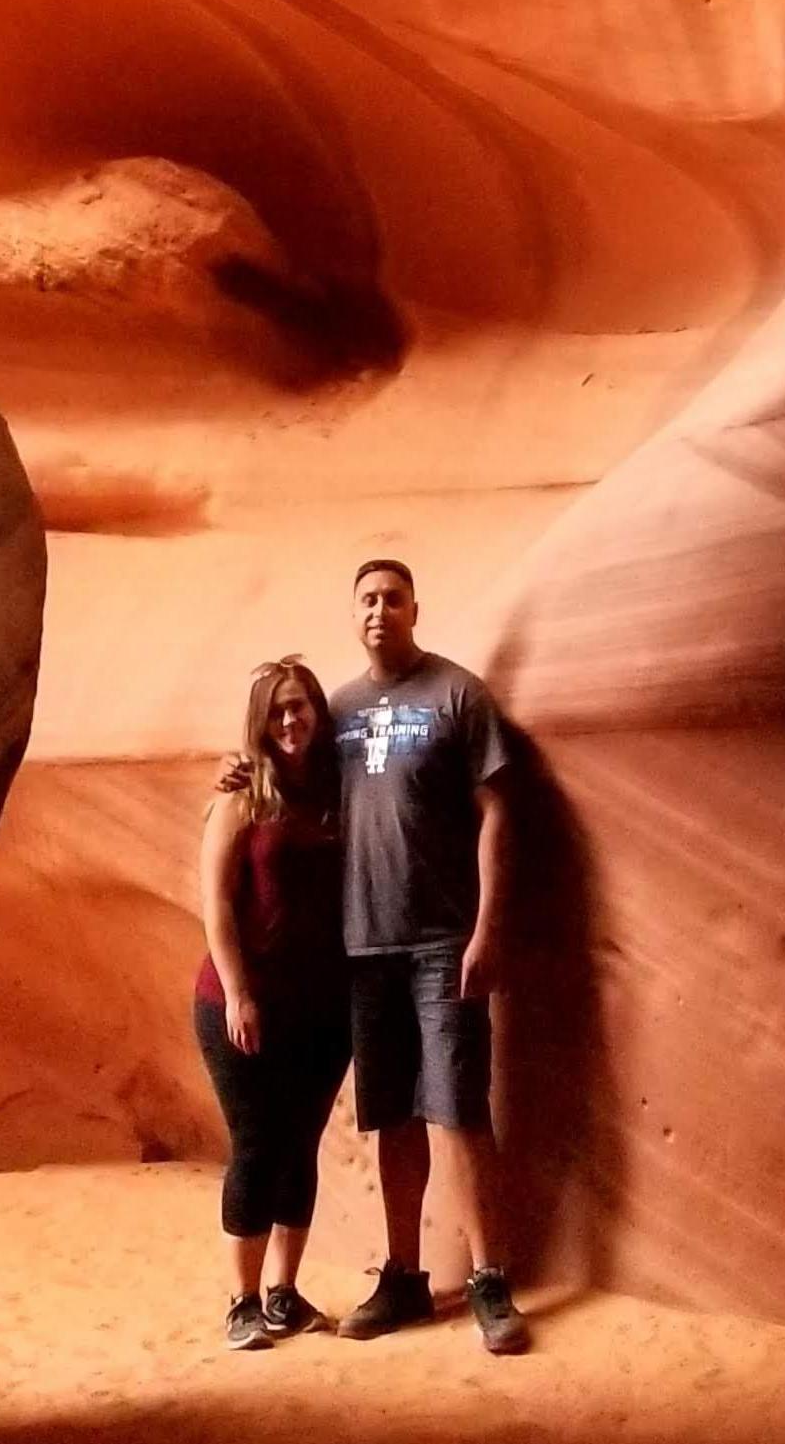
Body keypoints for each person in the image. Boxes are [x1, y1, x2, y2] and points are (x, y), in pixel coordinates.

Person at [329, 558, 529, 1356]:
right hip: (362, 943)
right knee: (391, 1114)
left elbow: (497, 811)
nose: (380, 610)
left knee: (458, 1107)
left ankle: (489, 1279)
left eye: (392, 598)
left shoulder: (456, 694)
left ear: (415, 607)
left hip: (441, 941)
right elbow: (290, 788)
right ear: (354, 615)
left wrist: (488, 929)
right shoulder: (338, 709)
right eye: (367, 600)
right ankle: (404, 1276)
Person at [193, 657, 354, 1352]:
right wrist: (238, 991)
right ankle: (242, 1301)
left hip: (323, 1003)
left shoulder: (334, 794)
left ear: (318, 713)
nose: (291, 721)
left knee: (300, 1145)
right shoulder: (239, 800)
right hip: (242, 1000)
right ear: (260, 720)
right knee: (257, 1143)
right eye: (277, 710)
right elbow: (217, 903)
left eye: (301, 707)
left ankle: (285, 1294)